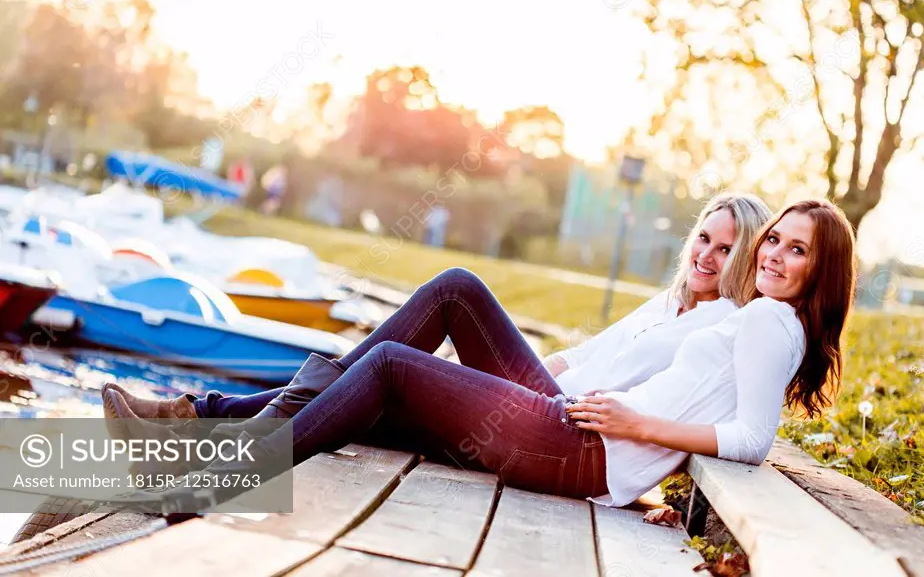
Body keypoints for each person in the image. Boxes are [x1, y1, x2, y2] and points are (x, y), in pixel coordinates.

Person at [113, 196, 858, 508]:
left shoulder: (764, 321)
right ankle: (200, 427)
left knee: (397, 364)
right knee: (408, 355)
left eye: (799, 251)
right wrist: (640, 435)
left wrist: (640, 429)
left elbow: (753, 441)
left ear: (820, 272)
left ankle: (214, 463)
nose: (777, 256)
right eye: (778, 242)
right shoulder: (760, 317)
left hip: (587, 448)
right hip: (577, 431)